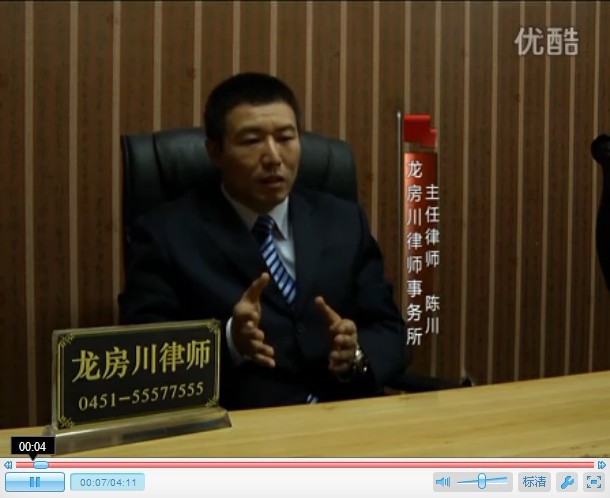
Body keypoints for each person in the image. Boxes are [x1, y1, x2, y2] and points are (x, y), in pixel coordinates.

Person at [119, 72, 409, 409]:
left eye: (286, 137)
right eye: (251, 140)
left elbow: (390, 329)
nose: (273, 157)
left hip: (345, 417)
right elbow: (144, 352)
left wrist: (355, 354)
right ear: (215, 152)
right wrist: (230, 341)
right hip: (241, 426)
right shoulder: (166, 233)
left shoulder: (344, 221)